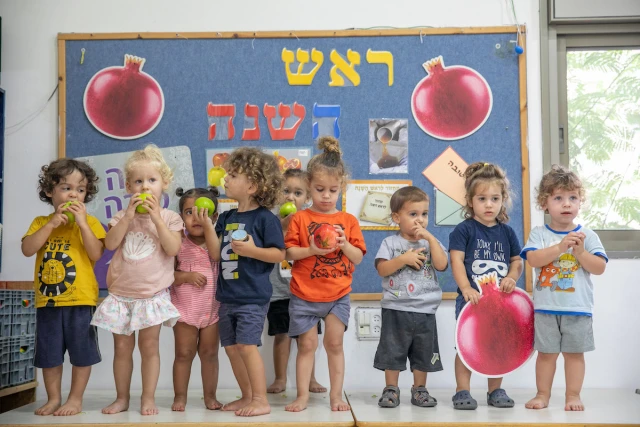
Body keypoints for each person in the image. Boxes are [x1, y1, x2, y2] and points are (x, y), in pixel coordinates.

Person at [91, 145, 184, 415]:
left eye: (152, 180)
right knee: (122, 349)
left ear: (164, 184)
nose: (145, 187)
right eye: (138, 181)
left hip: (151, 295)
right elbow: (110, 244)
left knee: (149, 347)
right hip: (121, 295)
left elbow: (173, 249)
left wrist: (156, 218)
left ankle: (148, 398)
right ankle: (122, 398)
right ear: (128, 186)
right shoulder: (121, 216)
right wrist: (128, 216)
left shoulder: (170, 218)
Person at [284, 136, 366, 412]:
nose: (326, 196)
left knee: (334, 344)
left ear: (342, 187)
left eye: (333, 190)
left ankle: (336, 397)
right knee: (306, 346)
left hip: (337, 295)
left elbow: (358, 258)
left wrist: (344, 244)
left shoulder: (348, 221)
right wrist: (311, 249)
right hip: (304, 294)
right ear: (309, 186)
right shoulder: (300, 218)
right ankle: (302, 396)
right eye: (320, 189)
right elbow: (289, 253)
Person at [22, 159, 105, 416]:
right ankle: (54, 398)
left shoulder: (90, 223)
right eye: (66, 188)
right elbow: (27, 249)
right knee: (49, 354)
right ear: (50, 191)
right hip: (48, 302)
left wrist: (82, 223)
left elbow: (96, 253)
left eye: (80, 190)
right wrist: (51, 225)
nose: (73, 194)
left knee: (82, 353)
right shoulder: (40, 222)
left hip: (80, 300)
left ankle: (75, 399)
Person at [522, 165, 607, 411]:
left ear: (580, 202)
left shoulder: (587, 236)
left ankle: (573, 396)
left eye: (573, 198)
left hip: (578, 309)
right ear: (544, 203)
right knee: (546, 355)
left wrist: (580, 253)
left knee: (574, 354)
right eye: (558, 198)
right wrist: (560, 247)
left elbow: (599, 267)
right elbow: (533, 260)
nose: (566, 203)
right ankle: (542, 395)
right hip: (546, 309)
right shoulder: (539, 234)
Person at [211, 147, 285, 417]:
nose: (226, 179)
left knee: (246, 346)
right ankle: (246, 396)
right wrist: (207, 225)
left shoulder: (266, 219)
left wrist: (253, 251)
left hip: (252, 297)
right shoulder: (227, 217)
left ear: (252, 186)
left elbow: (279, 254)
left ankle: (260, 400)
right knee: (232, 348)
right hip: (227, 296)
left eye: (233, 175)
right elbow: (214, 254)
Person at [449, 162, 523, 410]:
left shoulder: (508, 233)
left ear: (503, 200)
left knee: (498, 344)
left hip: (500, 302)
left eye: (495, 198)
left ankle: (495, 390)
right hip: (471, 301)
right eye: (482, 199)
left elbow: (517, 262)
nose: (489, 204)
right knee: (467, 345)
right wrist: (465, 288)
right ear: (470, 201)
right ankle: (462, 390)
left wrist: (512, 277)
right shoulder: (464, 230)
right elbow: (456, 261)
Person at [374, 186, 448, 408]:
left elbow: (442, 264)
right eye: (413, 214)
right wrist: (402, 259)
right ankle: (391, 389)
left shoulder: (430, 243)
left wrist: (431, 238)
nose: (420, 220)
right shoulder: (390, 243)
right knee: (393, 350)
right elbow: (382, 269)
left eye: (424, 214)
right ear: (397, 217)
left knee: (423, 353)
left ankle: (420, 389)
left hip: (425, 310)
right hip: (396, 308)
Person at [267, 168, 326, 395]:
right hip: (279, 292)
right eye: (286, 191)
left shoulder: (310, 222)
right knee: (281, 335)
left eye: (298, 193)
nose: (290, 197)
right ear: (276, 193)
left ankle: (311, 378)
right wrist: (283, 227)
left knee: (307, 338)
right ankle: (279, 378)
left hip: (306, 292)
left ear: (308, 197)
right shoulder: (270, 221)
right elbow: (271, 250)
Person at [170, 187, 222, 411]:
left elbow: (217, 257)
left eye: (204, 212)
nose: (197, 218)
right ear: (181, 216)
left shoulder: (216, 242)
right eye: (190, 212)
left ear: (214, 216)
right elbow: (166, 275)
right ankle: (180, 397)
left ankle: (210, 396)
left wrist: (210, 229)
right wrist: (185, 276)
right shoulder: (178, 243)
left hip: (212, 311)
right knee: (184, 354)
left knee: (210, 354)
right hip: (185, 310)